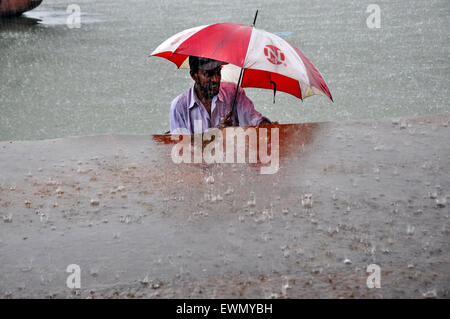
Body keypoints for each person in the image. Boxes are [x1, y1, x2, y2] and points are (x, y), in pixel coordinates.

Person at [169, 56, 272, 134]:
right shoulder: (179, 106)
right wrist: (216, 133)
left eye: (218, 72)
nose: (216, 79)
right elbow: (181, 148)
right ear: (194, 75)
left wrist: (266, 126)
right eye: (209, 74)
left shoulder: (234, 93)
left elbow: (254, 120)